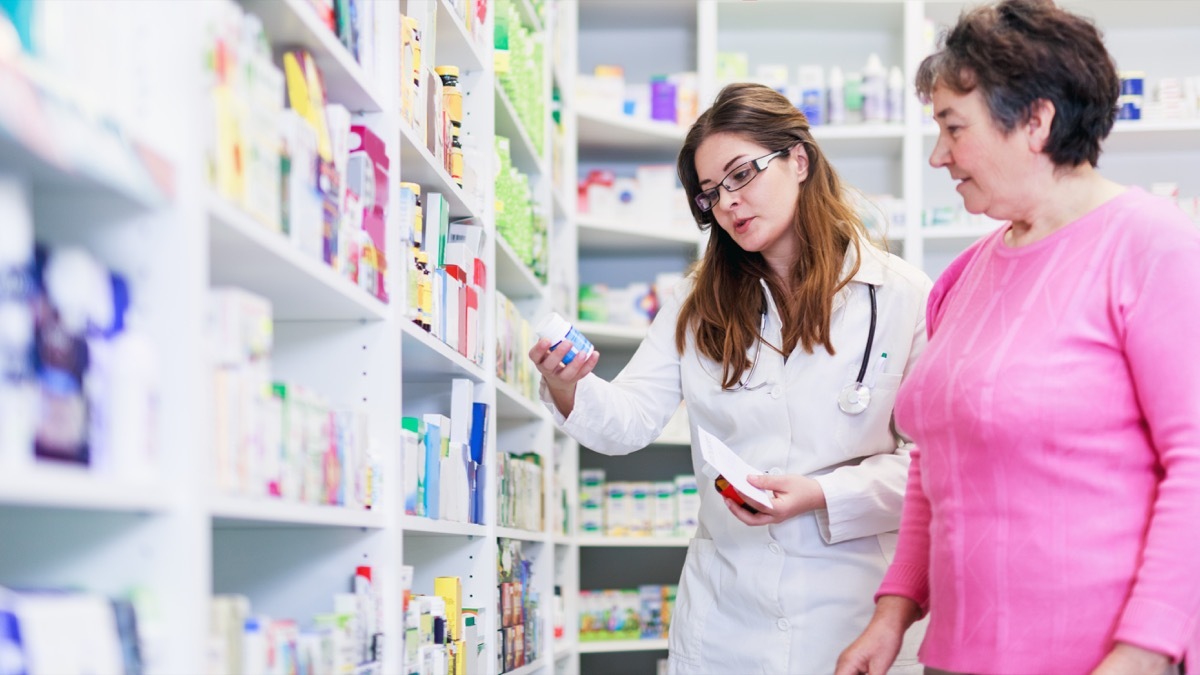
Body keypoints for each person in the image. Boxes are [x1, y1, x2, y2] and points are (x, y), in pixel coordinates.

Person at [834, 2, 1200, 674]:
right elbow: (933, 465)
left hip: (1100, 658)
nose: (939, 154)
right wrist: (893, 613)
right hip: (958, 656)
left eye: (953, 127)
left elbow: (1196, 462)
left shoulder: (1153, 247)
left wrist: (1145, 651)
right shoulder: (962, 278)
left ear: (1036, 120)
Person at [529, 82, 932, 674]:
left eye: (742, 175)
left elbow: (932, 465)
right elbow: (627, 423)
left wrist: (821, 494)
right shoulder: (697, 299)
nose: (728, 204)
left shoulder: (901, 294)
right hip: (728, 617)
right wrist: (567, 384)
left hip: (853, 609)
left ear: (799, 159)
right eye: (710, 194)